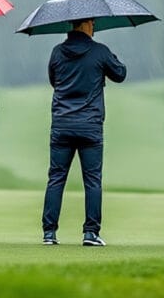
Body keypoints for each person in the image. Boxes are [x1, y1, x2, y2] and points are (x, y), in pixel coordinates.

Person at [41, 17, 127, 247]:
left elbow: (54, 81)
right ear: (85, 24)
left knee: (56, 178)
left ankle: (49, 233)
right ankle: (90, 233)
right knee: (92, 180)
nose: (94, 26)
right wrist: (109, 58)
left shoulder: (57, 52)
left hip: (61, 124)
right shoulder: (100, 51)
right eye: (92, 23)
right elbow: (120, 73)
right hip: (90, 126)